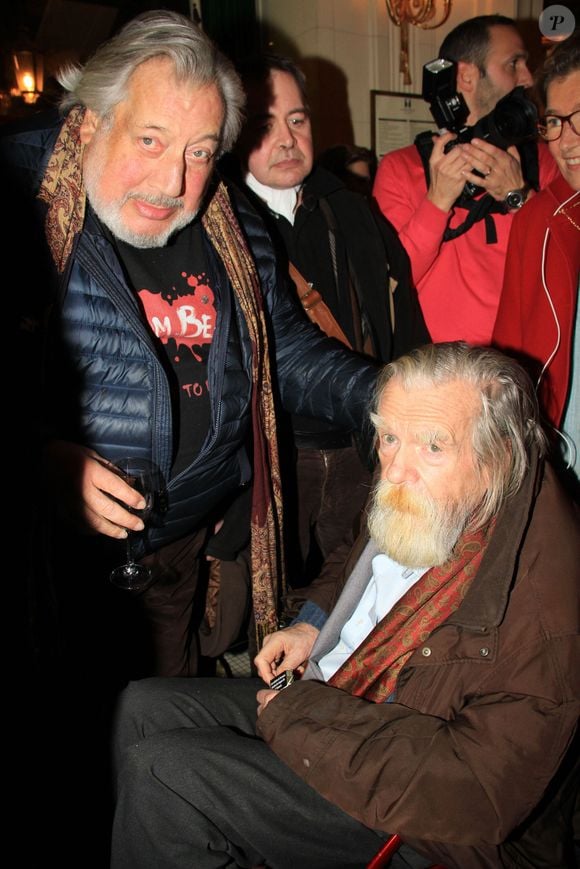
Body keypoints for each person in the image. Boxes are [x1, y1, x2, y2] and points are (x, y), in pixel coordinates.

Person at [1, 10, 378, 683]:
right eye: (150, 139)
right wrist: (37, 465)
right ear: (89, 123)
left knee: (159, 727)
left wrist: (384, 394)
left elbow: (281, 349)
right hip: (48, 561)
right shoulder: (16, 198)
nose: (175, 181)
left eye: (200, 151)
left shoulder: (234, 223)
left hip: (177, 554)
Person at [112, 343, 579, 869]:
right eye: (389, 437)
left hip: (425, 821)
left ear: (498, 456)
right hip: (333, 693)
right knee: (141, 707)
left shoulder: (545, 605)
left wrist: (303, 715)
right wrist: (312, 625)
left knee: (165, 775)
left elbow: (478, 792)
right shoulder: (436, 492)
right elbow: (355, 555)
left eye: (432, 446)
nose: (396, 470)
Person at [222, 54, 428, 583]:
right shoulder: (218, 224)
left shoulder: (352, 209)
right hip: (275, 455)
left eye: (298, 119)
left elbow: (400, 318)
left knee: (353, 587)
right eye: (265, 124)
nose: (287, 138)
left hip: (360, 443)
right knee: (265, 598)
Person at [373, 14, 559, 345]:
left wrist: (518, 195)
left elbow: (565, 265)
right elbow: (388, 283)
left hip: (527, 369)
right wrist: (437, 201)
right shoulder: (400, 168)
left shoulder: (544, 161)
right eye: (514, 63)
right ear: (466, 76)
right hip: (440, 377)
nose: (528, 78)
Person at [493, 32, 580, 497]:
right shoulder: (540, 219)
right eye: (554, 123)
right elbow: (511, 346)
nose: (565, 142)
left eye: (579, 119)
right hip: (562, 462)